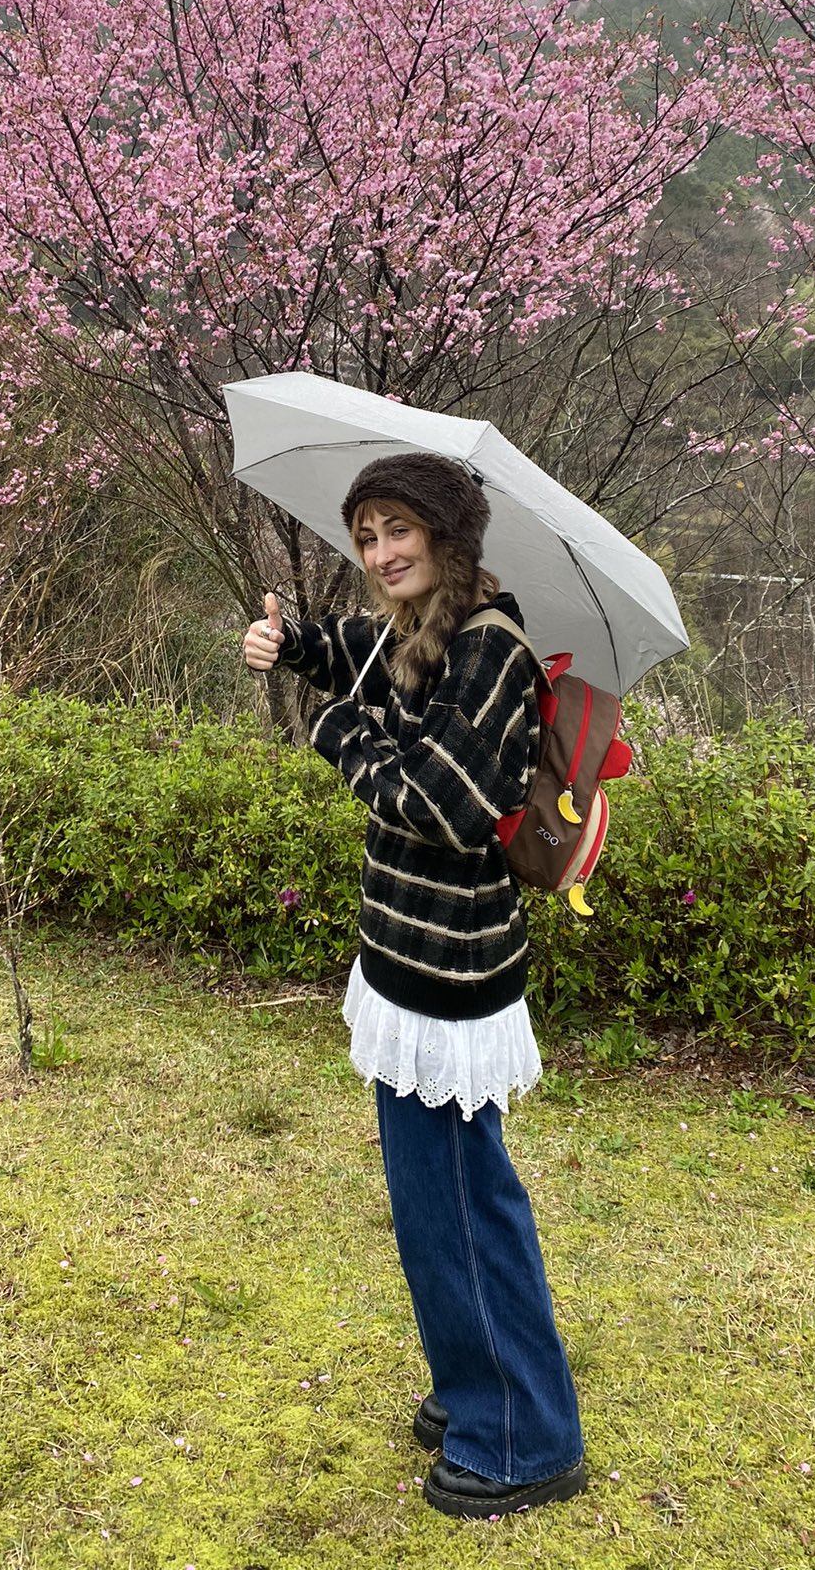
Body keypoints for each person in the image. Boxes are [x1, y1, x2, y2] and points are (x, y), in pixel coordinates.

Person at [242, 452, 585, 1520]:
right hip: (405, 962)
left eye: (399, 529)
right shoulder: (420, 626)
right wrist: (292, 641)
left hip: (452, 977)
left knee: (466, 1212)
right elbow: (357, 653)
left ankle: (527, 1437)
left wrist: (334, 731)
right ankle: (472, 1380)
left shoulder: (491, 650)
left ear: (446, 534)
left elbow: (440, 802)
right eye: (368, 535)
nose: (383, 553)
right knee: (431, 1209)